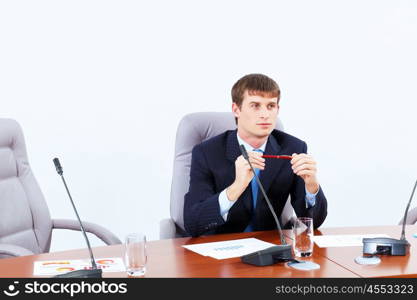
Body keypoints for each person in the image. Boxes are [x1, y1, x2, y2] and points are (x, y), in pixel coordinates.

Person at [184, 73, 327, 237]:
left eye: (271, 106)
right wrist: (236, 187)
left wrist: (312, 187)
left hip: (270, 247)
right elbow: (192, 223)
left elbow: (314, 222)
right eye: (255, 106)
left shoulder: (293, 147)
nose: (265, 114)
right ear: (236, 109)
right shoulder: (207, 152)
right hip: (220, 247)